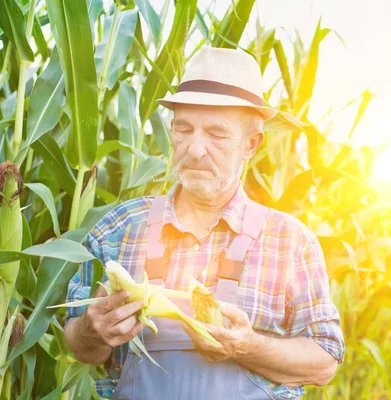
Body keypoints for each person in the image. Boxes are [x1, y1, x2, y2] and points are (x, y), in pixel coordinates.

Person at [63, 46, 345, 399]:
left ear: (251, 144)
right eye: (184, 129)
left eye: (216, 133)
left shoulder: (290, 242)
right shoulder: (117, 228)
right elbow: (76, 343)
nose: (195, 149)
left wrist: (247, 347)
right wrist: (92, 331)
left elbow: (324, 363)